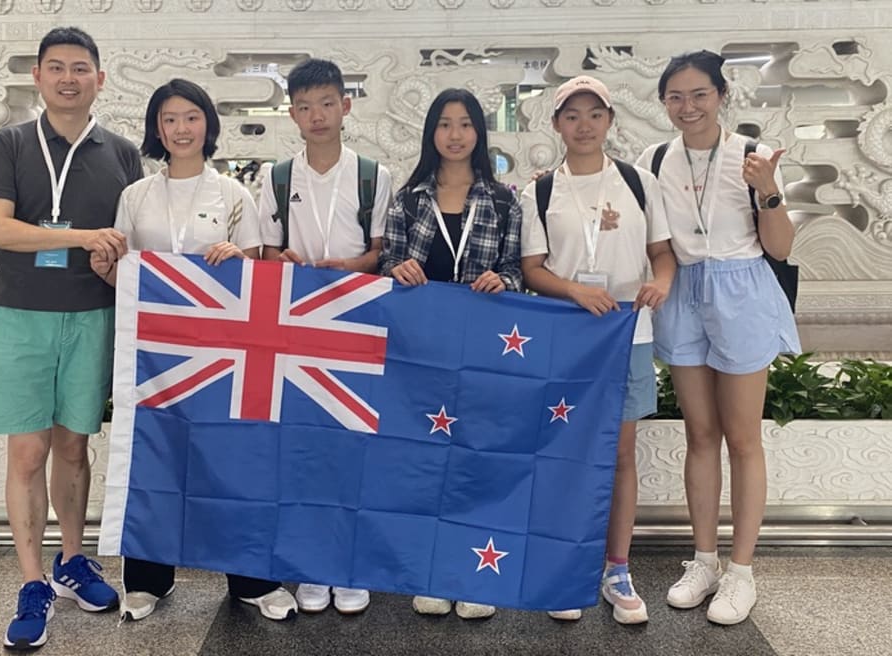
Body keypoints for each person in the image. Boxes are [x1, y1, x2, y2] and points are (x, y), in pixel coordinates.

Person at [91, 79, 297, 623]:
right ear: (157, 129)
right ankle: (148, 578)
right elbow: (125, 279)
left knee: (232, 461)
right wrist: (107, 270)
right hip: (157, 357)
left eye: (191, 117)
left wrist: (239, 259)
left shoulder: (232, 194)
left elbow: (255, 279)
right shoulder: (135, 196)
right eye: (169, 119)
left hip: (223, 355)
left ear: (208, 123)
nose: (181, 129)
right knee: (155, 457)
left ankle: (252, 579)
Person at [0, 26, 143, 651]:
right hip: (23, 313)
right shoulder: (10, 143)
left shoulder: (123, 153)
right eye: (56, 67)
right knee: (27, 453)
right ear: (39, 77)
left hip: (93, 315)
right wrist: (78, 238)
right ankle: (32, 582)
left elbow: (133, 243)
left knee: (74, 448)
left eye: (80, 68)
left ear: (100, 78)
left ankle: (74, 563)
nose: (68, 77)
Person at [638, 50, 801, 625]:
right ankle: (703, 560)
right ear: (664, 103)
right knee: (701, 434)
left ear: (721, 96)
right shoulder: (653, 158)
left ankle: (741, 572)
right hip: (682, 291)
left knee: (743, 437)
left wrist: (769, 191)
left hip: (741, 289)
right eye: (675, 97)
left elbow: (779, 248)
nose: (688, 107)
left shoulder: (752, 156)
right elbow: (633, 220)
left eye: (699, 94)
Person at [520, 75, 676, 625]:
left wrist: (661, 281)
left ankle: (616, 567)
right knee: (564, 452)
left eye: (594, 114)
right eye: (571, 115)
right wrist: (576, 290)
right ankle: (567, 566)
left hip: (626, 336)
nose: (583, 125)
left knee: (619, 455)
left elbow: (662, 254)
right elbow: (533, 270)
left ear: (610, 120)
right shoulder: (539, 192)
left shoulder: (637, 183)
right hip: (566, 340)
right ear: (557, 124)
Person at [379, 87, 522, 620]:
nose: (455, 134)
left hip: (483, 353)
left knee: (475, 460)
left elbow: (517, 271)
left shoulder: (504, 199)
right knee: (425, 460)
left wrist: (501, 279)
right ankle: (432, 570)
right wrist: (397, 269)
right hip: (421, 356)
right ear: (431, 133)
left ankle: (473, 573)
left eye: (465, 124)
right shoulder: (410, 198)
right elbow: (386, 264)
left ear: (479, 132)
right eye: (445, 124)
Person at [257, 57, 393, 615]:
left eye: (327, 104)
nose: (317, 116)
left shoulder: (372, 175)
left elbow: (384, 251)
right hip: (295, 326)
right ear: (292, 113)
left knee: (351, 446)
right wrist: (286, 263)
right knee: (304, 448)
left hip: (355, 322)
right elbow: (266, 251)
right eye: (305, 106)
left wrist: (351, 266)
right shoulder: (276, 176)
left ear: (346, 106)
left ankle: (350, 563)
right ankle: (312, 565)